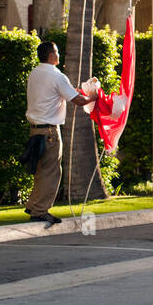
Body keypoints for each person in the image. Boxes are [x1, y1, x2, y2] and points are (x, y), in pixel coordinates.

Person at [23, 41, 97, 224]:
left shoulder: (35, 73)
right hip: (49, 132)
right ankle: (40, 210)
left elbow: (57, 94)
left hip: (35, 130)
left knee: (41, 170)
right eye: (56, 52)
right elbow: (78, 100)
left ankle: (33, 205)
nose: (58, 54)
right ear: (51, 56)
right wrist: (93, 97)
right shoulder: (56, 75)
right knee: (52, 172)